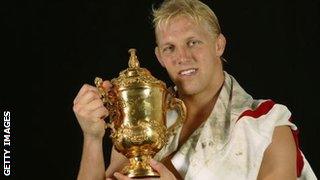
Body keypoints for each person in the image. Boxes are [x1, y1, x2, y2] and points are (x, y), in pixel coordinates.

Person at [73, 0, 316, 179]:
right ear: (159, 56)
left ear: (218, 45)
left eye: (193, 42)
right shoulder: (143, 120)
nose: (182, 57)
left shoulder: (266, 125)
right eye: (170, 48)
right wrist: (92, 137)